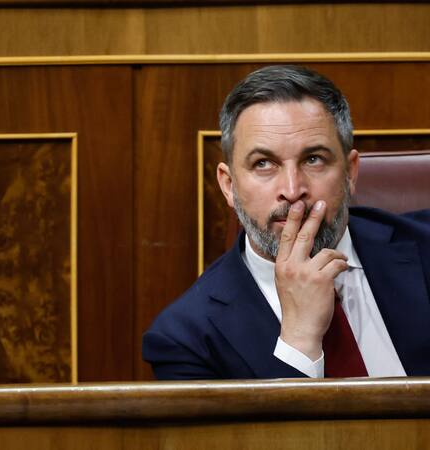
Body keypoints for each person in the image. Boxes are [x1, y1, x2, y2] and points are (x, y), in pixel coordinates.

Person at [143, 65, 430, 380]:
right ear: (228, 185)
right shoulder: (186, 340)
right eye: (263, 163)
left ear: (350, 173)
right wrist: (300, 339)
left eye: (313, 159)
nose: (293, 191)